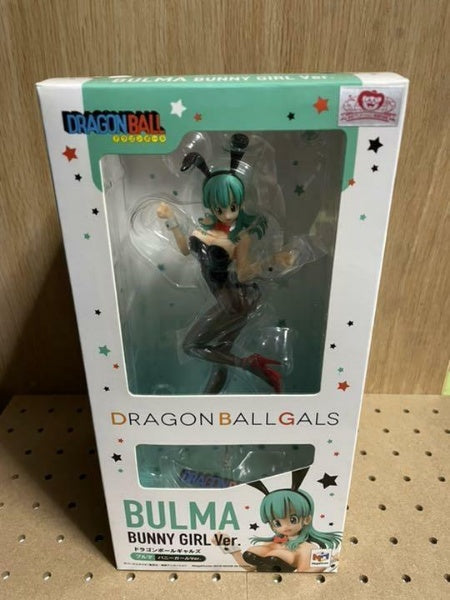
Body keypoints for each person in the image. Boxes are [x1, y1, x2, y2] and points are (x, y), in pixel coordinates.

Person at [157, 134, 294, 394]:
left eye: (233, 206)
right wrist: (171, 220)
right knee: (219, 359)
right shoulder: (200, 232)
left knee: (191, 346)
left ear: (240, 202)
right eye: (220, 208)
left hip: (237, 301)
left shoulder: (239, 237)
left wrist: (273, 260)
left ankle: (248, 363)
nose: (228, 213)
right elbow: (185, 250)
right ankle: (210, 403)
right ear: (210, 205)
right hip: (228, 299)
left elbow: (243, 273)